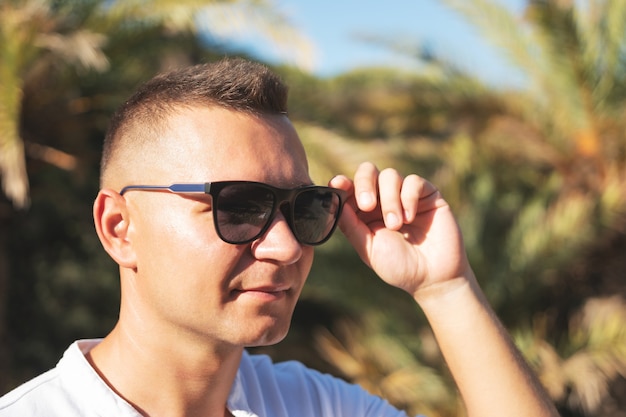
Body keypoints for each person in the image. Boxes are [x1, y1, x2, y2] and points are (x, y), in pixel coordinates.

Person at [0, 58, 560, 417]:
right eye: (239, 207)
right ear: (120, 229)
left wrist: (447, 290)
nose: (288, 246)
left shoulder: (313, 406)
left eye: (305, 209)